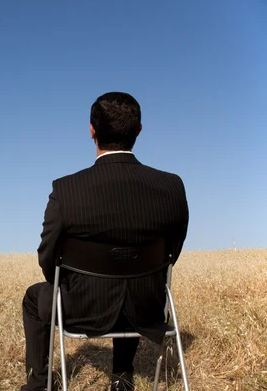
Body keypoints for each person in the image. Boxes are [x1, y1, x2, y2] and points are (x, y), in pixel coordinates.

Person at [21, 92, 189, 391]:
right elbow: (172, 252)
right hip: (147, 308)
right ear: (138, 130)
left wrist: (65, 285)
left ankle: (38, 386)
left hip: (83, 308)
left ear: (91, 131)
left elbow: (48, 258)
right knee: (132, 281)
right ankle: (122, 378)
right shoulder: (171, 187)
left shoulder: (67, 190)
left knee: (35, 299)